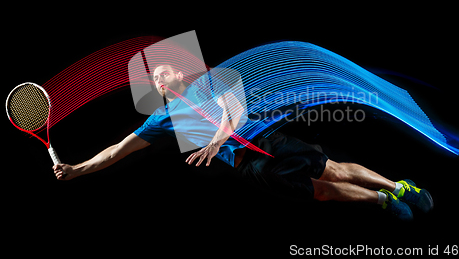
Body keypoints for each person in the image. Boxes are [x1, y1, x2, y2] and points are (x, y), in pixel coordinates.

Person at [53, 64, 433, 221]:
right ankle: (383, 201)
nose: (160, 79)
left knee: (331, 167)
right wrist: (78, 168)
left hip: (267, 139)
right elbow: (118, 149)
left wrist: (216, 142)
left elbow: (231, 113)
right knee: (319, 192)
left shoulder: (212, 83)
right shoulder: (160, 120)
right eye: (155, 79)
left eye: (166, 72)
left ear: (181, 75)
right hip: (248, 166)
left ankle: (398, 186)